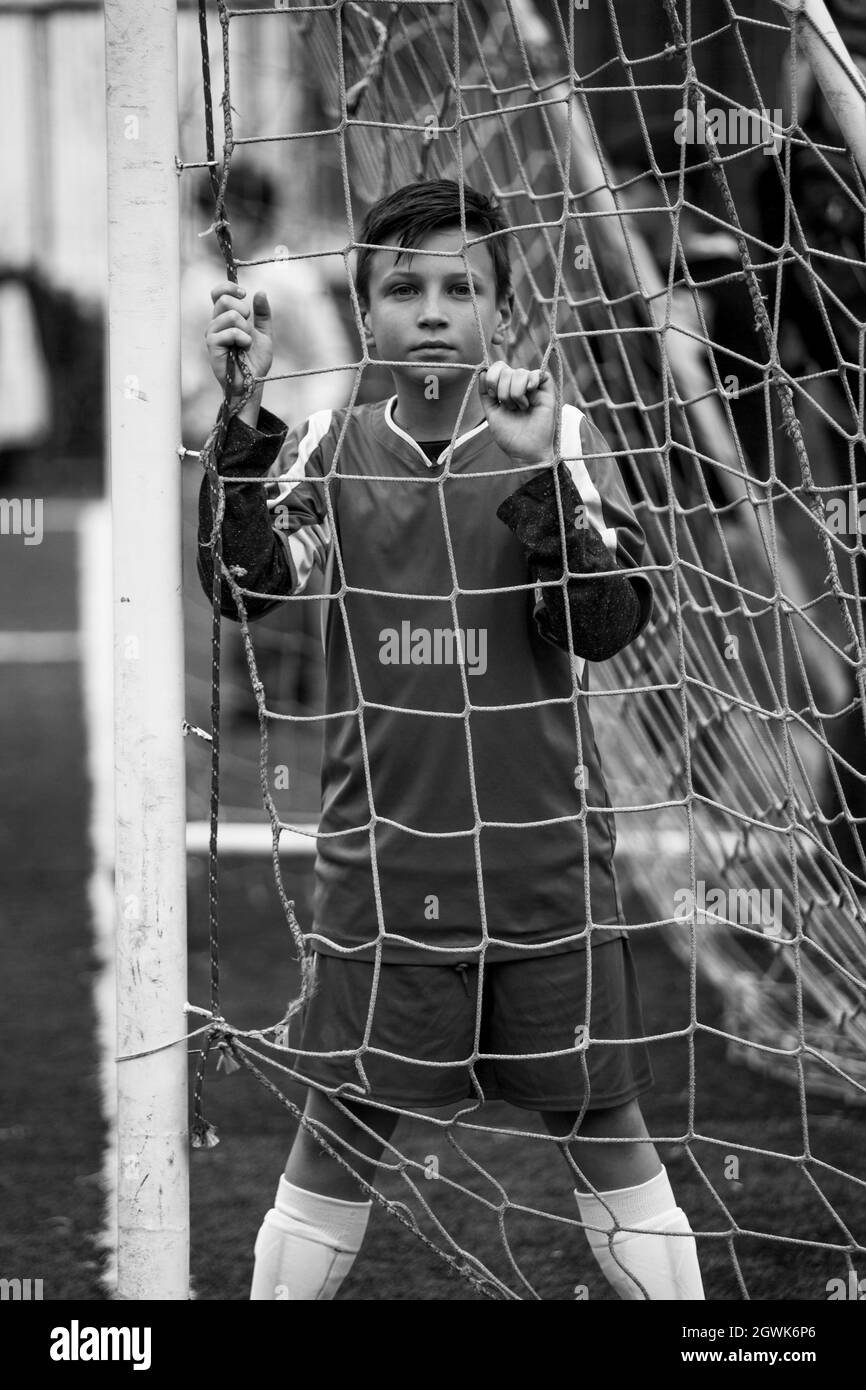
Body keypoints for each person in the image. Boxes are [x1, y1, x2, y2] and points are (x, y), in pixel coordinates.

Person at [197, 178, 705, 1301]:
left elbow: (607, 624)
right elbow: (244, 584)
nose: (433, 311)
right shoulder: (326, 446)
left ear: (502, 315)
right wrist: (244, 410)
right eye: (405, 289)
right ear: (366, 313)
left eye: (462, 288)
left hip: (542, 868)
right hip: (386, 865)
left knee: (599, 1116)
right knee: (343, 1122)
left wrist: (534, 472)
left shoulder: (559, 435)